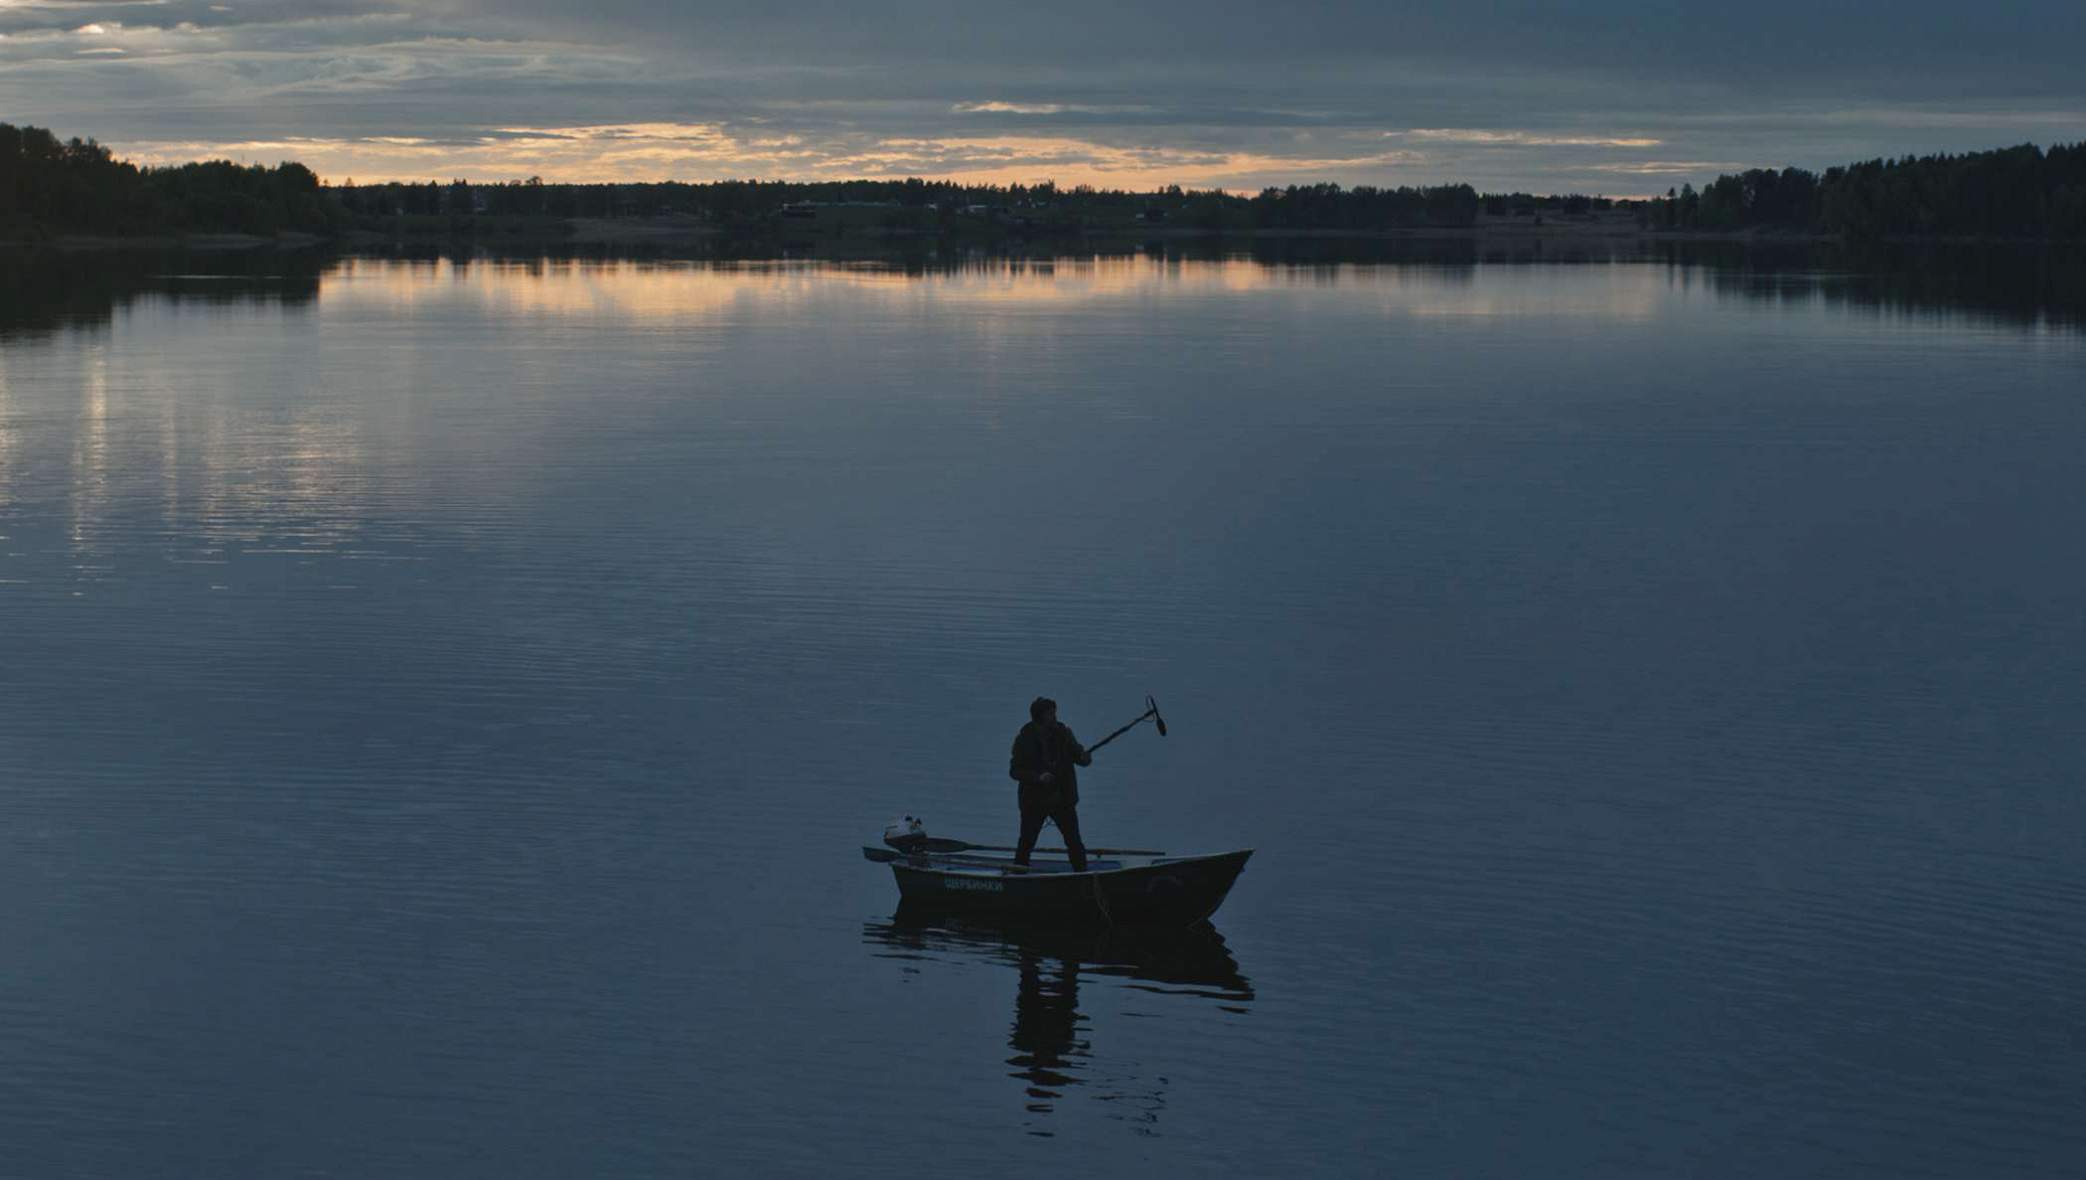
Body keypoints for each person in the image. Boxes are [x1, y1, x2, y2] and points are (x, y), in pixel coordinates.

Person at [1008, 697, 1091, 871]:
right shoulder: (1024, 739)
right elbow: (1015, 771)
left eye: (1054, 713)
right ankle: (1018, 875)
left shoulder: (1064, 733)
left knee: (1074, 842)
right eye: (1050, 714)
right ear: (1039, 717)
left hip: (1062, 799)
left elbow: (1080, 757)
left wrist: (1084, 757)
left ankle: (1082, 875)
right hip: (1034, 801)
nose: (1054, 717)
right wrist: (1039, 778)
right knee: (1026, 843)